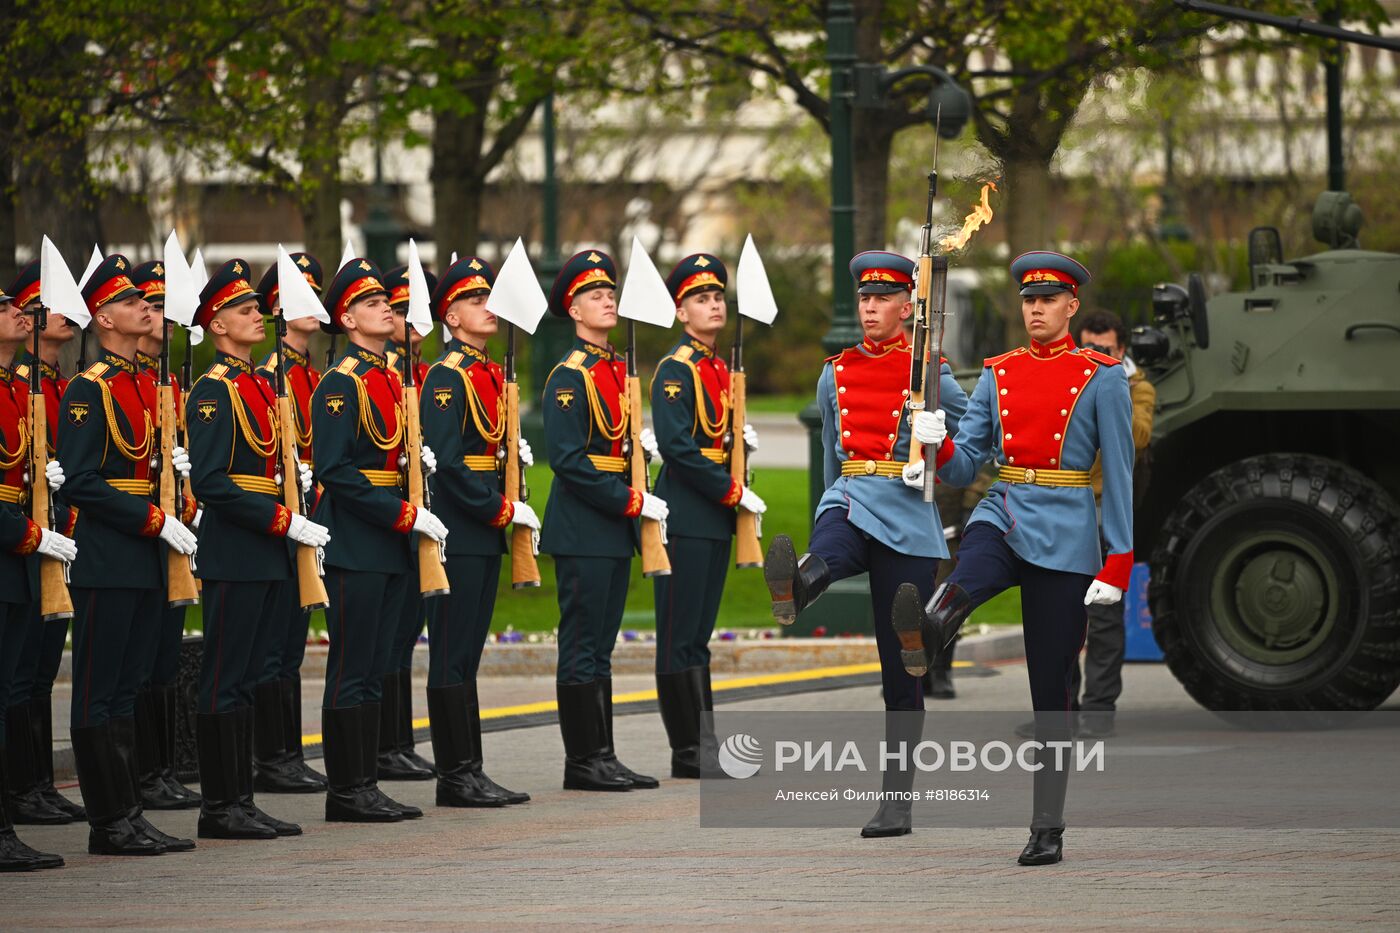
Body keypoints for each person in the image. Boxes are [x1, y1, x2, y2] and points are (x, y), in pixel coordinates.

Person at [891, 250, 1134, 866]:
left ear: (1070, 306)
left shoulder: (1102, 376)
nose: (1035, 309)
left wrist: (1119, 561)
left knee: (1050, 689)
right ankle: (927, 632)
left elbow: (1123, 476)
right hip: (1005, 505)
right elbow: (967, 462)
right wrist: (936, 440)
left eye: (1048, 300)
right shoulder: (999, 372)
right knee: (970, 566)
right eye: (1028, 299)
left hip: (1068, 528)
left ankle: (1047, 824)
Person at [763, 249, 968, 838]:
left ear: (909, 306)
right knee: (830, 543)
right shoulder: (836, 371)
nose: (870, 306)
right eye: (863, 297)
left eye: (882, 298)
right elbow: (832, 454)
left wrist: (940, 442)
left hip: (908, 518)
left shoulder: (931, 370)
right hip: (854, 497)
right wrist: (832, 502)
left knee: (901, 665)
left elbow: (971, 450)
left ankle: (897, 801)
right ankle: (797, 586)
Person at [60, 254, 200, 855]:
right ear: (102, 318)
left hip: (147, 556)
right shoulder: (90, 389)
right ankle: (108, 822)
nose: (147, 306)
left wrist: (178, 505)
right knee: (100, 689)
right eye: (130, 301)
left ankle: (129, 811)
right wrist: (152, 519)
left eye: (147, 300)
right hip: (112, 555)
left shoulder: (146, 383)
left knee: (129, 688)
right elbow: (82, 481)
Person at [184, 259, 327, 840]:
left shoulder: (261, 386)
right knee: (224, 676)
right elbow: (212, 482)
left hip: (267, 547)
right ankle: (220, 805)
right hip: (239, 549)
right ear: (217, 326)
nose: (257, 317)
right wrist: (279, 518)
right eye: (244, 312)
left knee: (246, 677)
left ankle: (241, 799)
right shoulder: (215, 390)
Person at [309, 256, 447, 822]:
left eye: (384, 301)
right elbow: (336, 471)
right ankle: (346, 790)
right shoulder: (340, 384)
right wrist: (400, 514)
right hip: (359, 540)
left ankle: (364, 781)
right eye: (370, 303)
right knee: (352, 665)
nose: (385, 308)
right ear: (346, 318)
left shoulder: (392, 377)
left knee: (376, 667)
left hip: (390, 540)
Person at [540, 249, 666, 792]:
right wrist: (629, 501)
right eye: (595, 294)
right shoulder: (570, 376)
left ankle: (604, 754)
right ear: (574, 309)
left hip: (611, 527)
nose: (608, 299)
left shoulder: (615, 370)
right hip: (585, 526)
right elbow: (568, 460)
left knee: (602, 645)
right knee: (583, 643)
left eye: (610, 292)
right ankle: (582, 760)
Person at [418, 255, 538, 807]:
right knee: (451, 652)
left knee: (468, 653)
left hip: (484, 527)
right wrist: (498, 510)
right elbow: (448, 459)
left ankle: (470, 768)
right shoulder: (447, 375)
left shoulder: (488, 371)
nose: (487, 307)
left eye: (488, 297)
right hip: (462, 527)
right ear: (451, 316)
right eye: (473, 300)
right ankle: (454, 775)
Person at [648, 253, 765, 778]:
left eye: (717, 297)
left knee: (698, 636)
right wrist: (730, 490)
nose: (714, 305)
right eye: (701, 299)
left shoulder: (718, 367)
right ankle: (688, 750)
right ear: (680, 312)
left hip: (714, 515)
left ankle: (706, 745)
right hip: (689, 513)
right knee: (679, 633)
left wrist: (740, 448)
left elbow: (715, 439)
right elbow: (677, 447)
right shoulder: (676, 369)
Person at [4, 261, 87, 826]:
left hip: (56, 536)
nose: (59, 315)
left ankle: (33, 785)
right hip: (24, 541)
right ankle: (20, 792)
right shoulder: (24, 383)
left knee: (36, 672)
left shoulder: (52, 384)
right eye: (43, 306)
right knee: (19, 675)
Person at [126, 259, 203, 812]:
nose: (160, 317)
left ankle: (160, 770)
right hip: (137, 533)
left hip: (171, 534)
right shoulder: (122, 381)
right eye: (149, 307)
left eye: (160, 306)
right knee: (132, 666)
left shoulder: (171, 381)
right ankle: (138, 777)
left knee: (161, 660)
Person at [251, 252, 329, 793]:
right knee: (273, 646)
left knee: (292, 647)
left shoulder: (312, 374)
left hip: (312, 516)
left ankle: (288, 753)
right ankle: (271, 757)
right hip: (282, 519)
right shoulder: (271, 376)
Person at [0, 281, 71, 871]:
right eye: (5, 308)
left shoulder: (21, 389)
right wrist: (29, 533)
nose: (19, 314)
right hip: (12, 544)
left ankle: (22, 802)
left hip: (25, 552)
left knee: (22, 682)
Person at [1070, 310, 1155, 737]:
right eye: (1087, 347)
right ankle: (1060, 712)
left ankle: (1099, 711)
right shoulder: (1066, 377)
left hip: (1106, 508)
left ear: (1120, 351)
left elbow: (1139, 434)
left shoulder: (1136, 387)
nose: (1094, 355)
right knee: (1060, 612)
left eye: (1103, 349)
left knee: (1102, 617)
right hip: (1066, 506)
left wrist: (1110, 388)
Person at [374, 264, 438, 782]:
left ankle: (396, 741)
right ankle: (381, 746)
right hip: (386, 515)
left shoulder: (414, 368)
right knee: (387, 639)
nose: (414, 318)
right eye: (400, 309)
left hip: (414, 512)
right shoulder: (387, 371)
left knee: (401, 638)